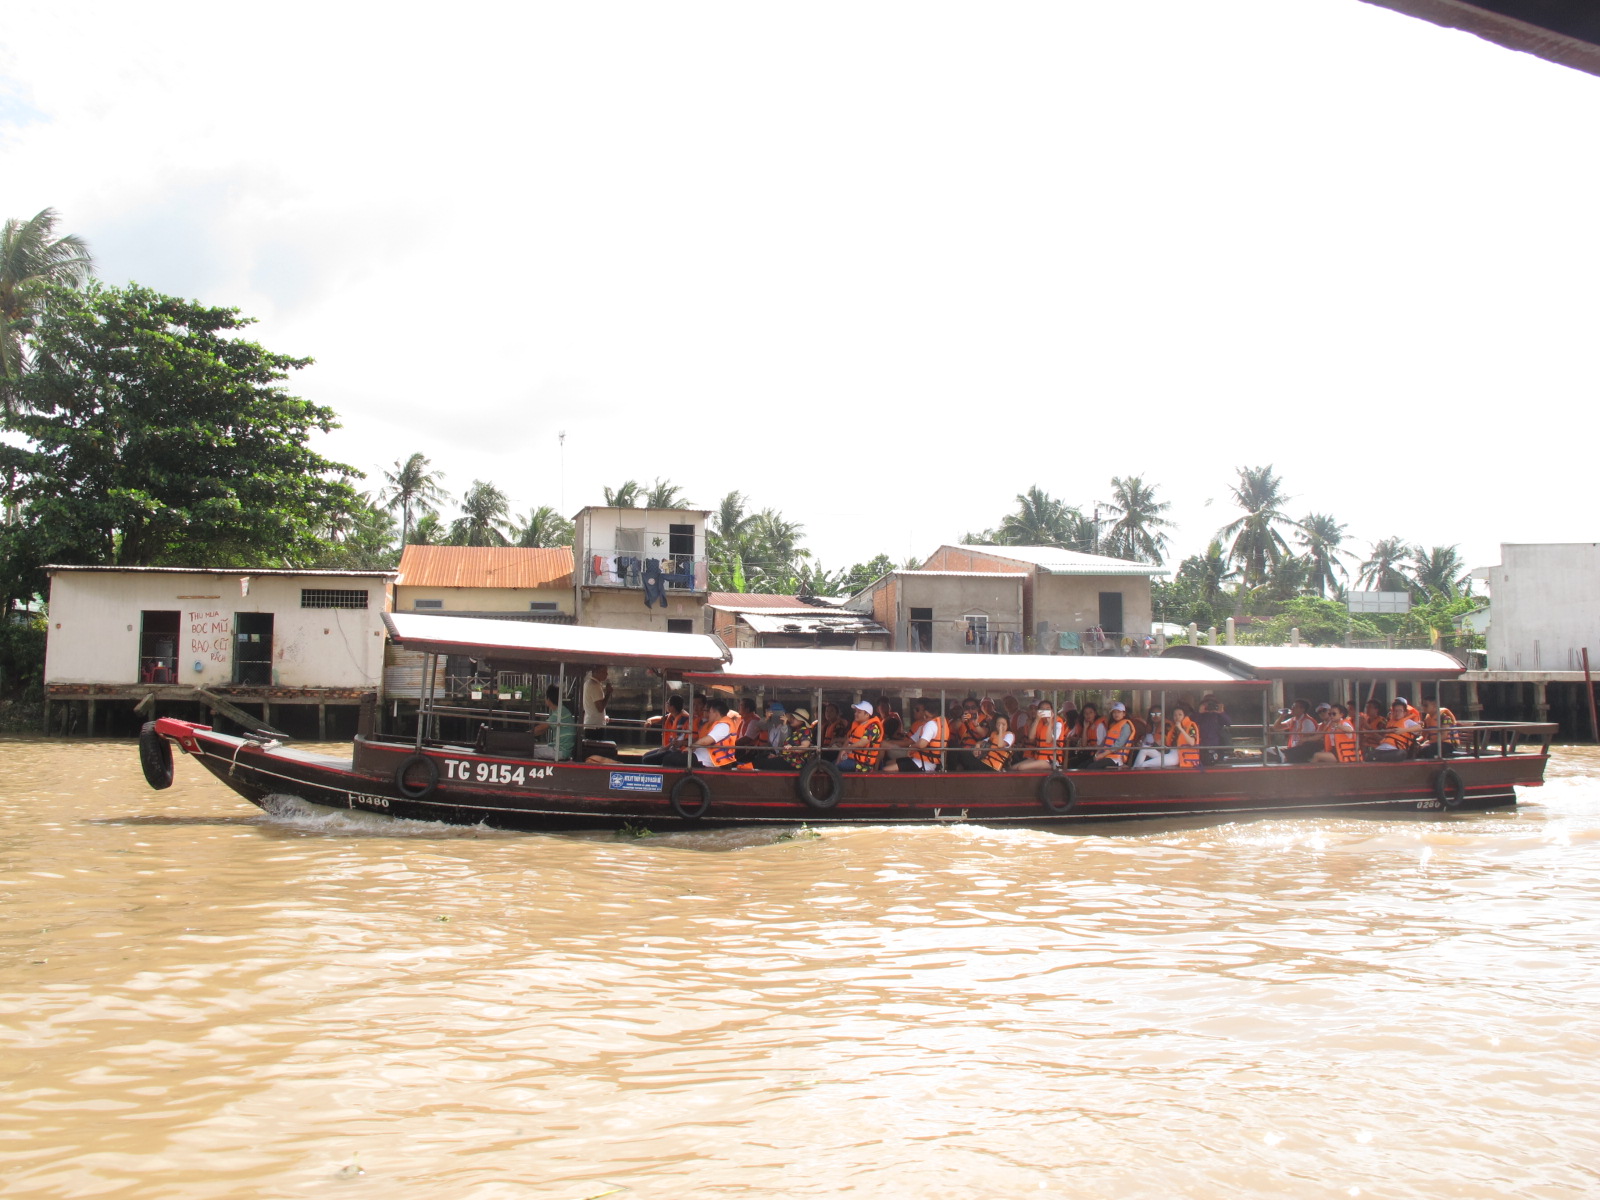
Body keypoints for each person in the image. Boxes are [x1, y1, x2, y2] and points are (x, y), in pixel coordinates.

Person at [897, 699, 951, 772]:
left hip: (924, 763)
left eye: (927, 716)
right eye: (924, 715)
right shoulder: (942, 725)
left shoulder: (931, 724)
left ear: (934, 715)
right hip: (928, 761)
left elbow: (921, 744)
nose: (924, 718)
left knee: (886, 769)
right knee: (890, 763)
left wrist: (911, 747)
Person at [1015, 701, 1065, 772]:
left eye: (1047, 709)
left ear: (1052, 711)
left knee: (1021, 768)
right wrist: (1037, 719)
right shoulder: (1039, 722)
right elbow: (1031, 738)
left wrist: (1049, 723)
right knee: (1013, 768)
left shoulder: (1057, 723)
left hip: (1051, 761)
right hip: (1038, 757)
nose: (1045, 711)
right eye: (1042, 709)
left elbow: (1049, 740)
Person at [531, 685, 578, 761]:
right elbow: (542, 730)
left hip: (561, 751)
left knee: (531, 752)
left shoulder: (559, 712)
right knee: (533, 747)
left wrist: (526, 734)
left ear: (548, 699)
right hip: (558, 748)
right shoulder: (562, 710)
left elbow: (542, 727)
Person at [691, 697, 741, 769]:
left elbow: (705, 741)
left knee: (678, 758)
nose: (709, 714)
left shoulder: (723, 726)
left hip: (713, 760)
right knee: (675, 756)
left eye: (710, 712)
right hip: (702, 755)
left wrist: (690, 747)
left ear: (716, 713)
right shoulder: (715, 724)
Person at [641, 694, 690, 764]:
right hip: (669, 747)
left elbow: (677, 740)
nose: (666, 704)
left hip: (677, 750)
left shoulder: (683, 719)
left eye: (668, 703)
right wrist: (649, 720)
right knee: (645, 755)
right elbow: (661, 719)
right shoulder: (672, 716)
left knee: (647, 760)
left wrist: (664, 748)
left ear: (672, 707)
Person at [1369, 698, 1421, 762]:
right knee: (1369, 756)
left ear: (1404, 713)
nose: (1397, 713)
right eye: (1395, 711)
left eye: (1400, 711)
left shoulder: (1407, 722)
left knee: (1399, 754)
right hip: (1382, 748)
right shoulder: (1389, 723)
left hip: (1395, 749)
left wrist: (1403, 730)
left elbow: (1419, 727)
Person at [839, 701, 885, 773]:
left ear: (867, 714)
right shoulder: (858, 725)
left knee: (836, 768)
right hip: (852, 759)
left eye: (859, 712)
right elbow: (849, 740)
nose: (855, 714)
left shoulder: (873, 727)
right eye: (856, 712)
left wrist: (847, 749)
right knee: (832, 765)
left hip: (863, 765)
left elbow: (862, 743)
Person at [1087, 702, 1134, 769]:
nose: (1116, 714)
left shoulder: (1126, 726)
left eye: (1119, 712)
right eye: (1114, 712)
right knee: (1084, 765)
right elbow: (1105, 742)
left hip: (1116, 759)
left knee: (1091, 767)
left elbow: (1118, 745)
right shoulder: (1113, 725)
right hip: (1106, 755)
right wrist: (1097, 753)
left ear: (1124, 713)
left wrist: (1102, 754)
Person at [1194, 694, 1231, 765]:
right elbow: (1191, 723)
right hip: (1202, 745)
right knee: (1203, 763)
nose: (1210, 706)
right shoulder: (1200, 715)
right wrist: (1199, 712)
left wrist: (1221, 712)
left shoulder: (1218, 715)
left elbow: (1228, 723)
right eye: (1207, 703)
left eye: (1212, 704)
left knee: (1217, 764)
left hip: (1217, 745)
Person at [581, 665, 611, 744]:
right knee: (597, 749)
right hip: (595, 727)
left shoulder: (588, 683)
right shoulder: (594, 685)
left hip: (591, 723)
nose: (606, 674)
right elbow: (600, 708)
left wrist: (603, 717)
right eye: (604, 672)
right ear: (596, 672)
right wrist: (608, 693)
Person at [1072, 703, 1105, 768]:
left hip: (1097, 753)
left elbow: (1101, 745)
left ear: (1095, 713)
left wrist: (1089, 748)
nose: (1088, 715)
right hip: (1088, 752)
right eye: (1085, 713)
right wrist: (1085, 728)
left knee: (1081, 766)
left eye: (1090, 712)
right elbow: (1084, 744)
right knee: (1071, 763)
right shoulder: (1088, 726)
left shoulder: (1100, 726)